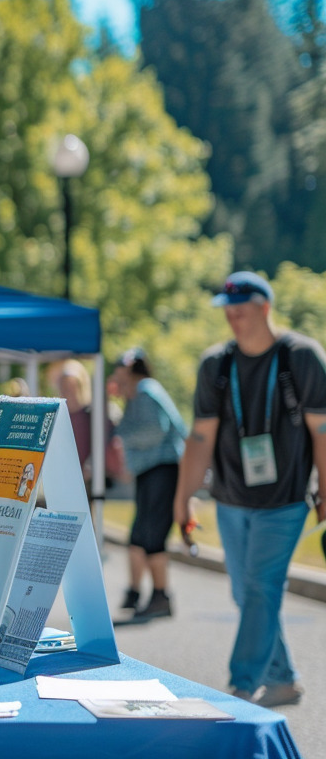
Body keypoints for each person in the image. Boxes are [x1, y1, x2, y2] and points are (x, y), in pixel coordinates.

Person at [175, 271, 326, 707]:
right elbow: (201, 437)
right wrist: (182, 498)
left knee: (261, 587)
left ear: (265, 307)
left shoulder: (301, 356)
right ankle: (283, 679)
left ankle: (241, 687)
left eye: (241, 310)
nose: (233, 319)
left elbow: (322, 431)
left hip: (285, 500)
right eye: (228, 311)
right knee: (245, 593)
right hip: (230, 500)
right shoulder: (216, 365)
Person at [109, 348, 186, 620]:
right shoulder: (141, 392)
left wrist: (122, 433)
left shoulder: (145, 391)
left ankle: (161, 595)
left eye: (119, 372)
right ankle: (143, 592)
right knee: (142, 533)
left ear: (130, 371)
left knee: (152, 533)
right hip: (152, 470)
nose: (116, 378)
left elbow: (155, 430)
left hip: (161, 469)